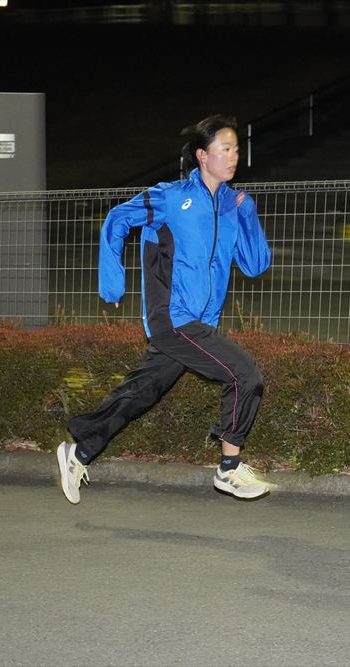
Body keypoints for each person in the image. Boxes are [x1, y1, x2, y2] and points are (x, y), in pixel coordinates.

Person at [55, 114, 273, 504]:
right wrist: (112, 282)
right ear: (202, 156)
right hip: (173, 318)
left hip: (201, 323)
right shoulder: (171, 198)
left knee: (142, 392)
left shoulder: (233, 205)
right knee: (245, 374)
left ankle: (79, 452)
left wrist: (248, 214)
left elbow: (255, 264)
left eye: (237, 149)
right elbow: (117, 219)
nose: (234, 156)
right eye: (225, 149)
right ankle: (229, 468)